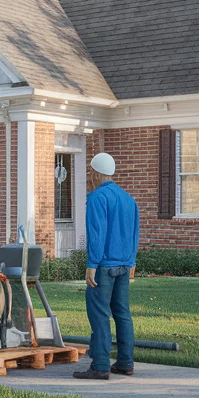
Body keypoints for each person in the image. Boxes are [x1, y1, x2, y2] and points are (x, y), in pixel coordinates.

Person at [74, 152, 139, 380]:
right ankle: (125, 363)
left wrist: (91, 264)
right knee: (122, 313)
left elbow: (97, 233)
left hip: (104, 266)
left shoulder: (97, 198)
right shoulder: (129, 199)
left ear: (95, 172)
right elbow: (134, 232)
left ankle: (100, 365)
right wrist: (132, 261)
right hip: (123, 264)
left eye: (90, 172)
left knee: (100, 314)